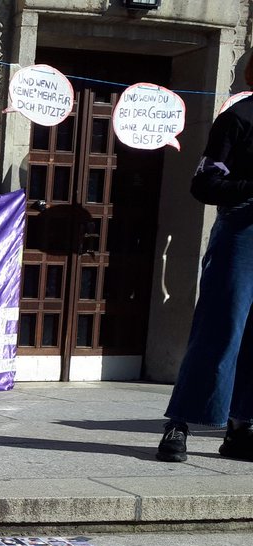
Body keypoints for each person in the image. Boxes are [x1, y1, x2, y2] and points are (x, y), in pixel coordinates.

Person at [158, 56, 253, 463]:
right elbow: (205, 183)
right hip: (242, 233)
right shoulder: (239, 117)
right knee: (221, 328)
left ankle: (241, 429)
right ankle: (178, 424)